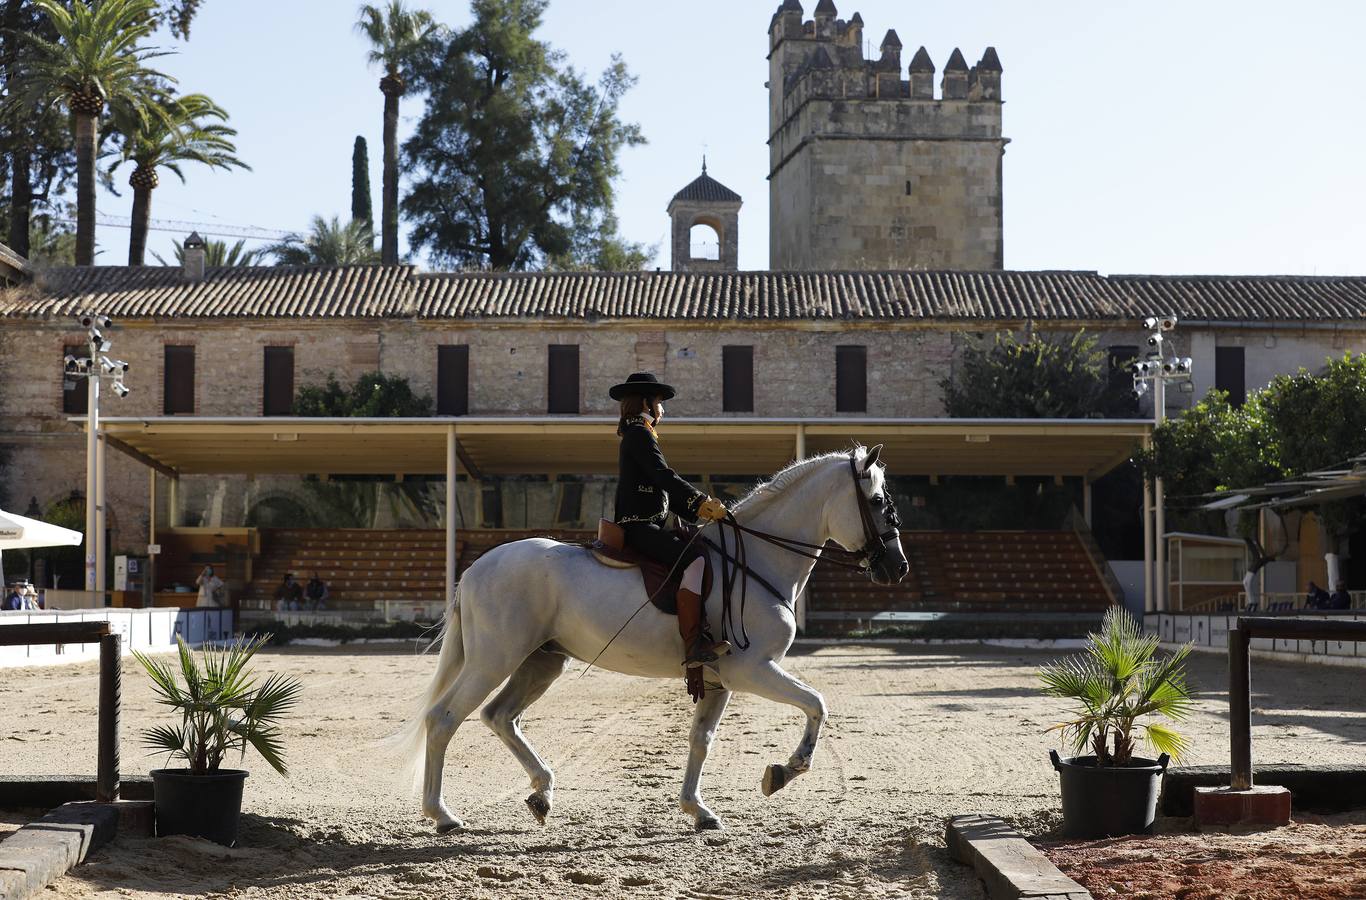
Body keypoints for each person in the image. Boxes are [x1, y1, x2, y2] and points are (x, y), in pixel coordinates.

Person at [610, 372, 729, 667]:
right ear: (647, 404)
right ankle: (694, 644)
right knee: (695, 559)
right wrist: (701, 502)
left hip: (646, 523)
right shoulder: (639, 433)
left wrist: (699, 510)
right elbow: (664, 476)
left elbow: (661, 487)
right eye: (660, 402)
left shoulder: (638, 433)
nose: (663, 409)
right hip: (639, 526)